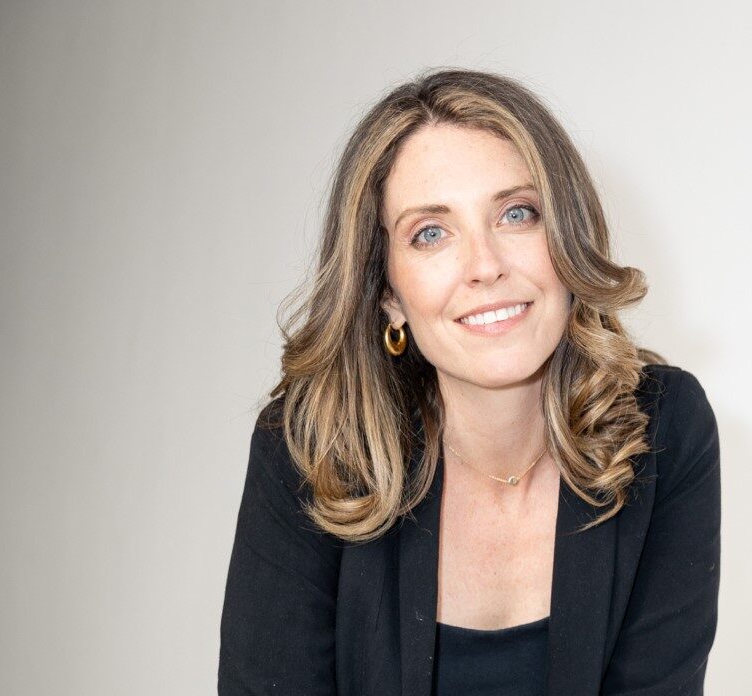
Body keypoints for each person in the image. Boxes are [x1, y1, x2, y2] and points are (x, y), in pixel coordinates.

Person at [218, 68, 721, 696]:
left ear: (567, 239)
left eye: (517, 214)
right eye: (431, 233)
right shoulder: (313, 446)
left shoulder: (664, 428)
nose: (484, 266)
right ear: (387, 293)